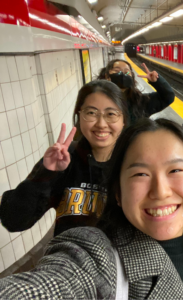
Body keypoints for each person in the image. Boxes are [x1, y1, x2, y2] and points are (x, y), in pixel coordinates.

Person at [0, 118, 183, 300]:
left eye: (175, 170)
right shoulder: (95, 256)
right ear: (118, 194)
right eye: (140, 174)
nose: (161, 191)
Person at [0, 80, 129, 236]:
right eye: (91, 113)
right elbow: (14, 221)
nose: (101, 124)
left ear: (123, 120)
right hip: (69, 258)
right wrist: (46, 173)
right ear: (78, 115)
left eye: (111, 114)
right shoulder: (64, 159)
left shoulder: (132, 163)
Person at [98, 59, 175, 122]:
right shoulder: (96, 100)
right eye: (117, 71)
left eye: (127, 72)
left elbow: (168, 97)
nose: (122, 74)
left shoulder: (141, 101)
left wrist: (157, 81)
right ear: (107, 76)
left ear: (132, 76)